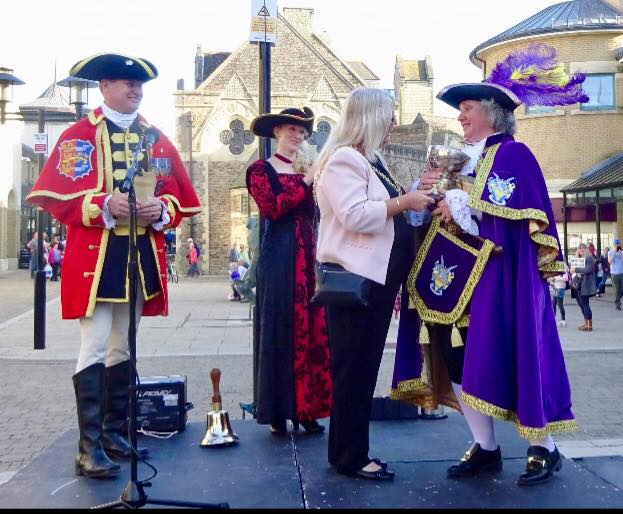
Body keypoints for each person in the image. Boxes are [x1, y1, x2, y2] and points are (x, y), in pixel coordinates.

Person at [399, 44, 580, 486]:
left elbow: (508, 215)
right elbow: (441, 215)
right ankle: (486, 447)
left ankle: (545, 448)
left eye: (468, 108)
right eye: (460, 109)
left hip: (502, 285)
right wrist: (428, 195)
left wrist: (458, 201)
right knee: (460, 361)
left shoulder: (513, 155)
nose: (460, 117)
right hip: (455, 286)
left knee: (514, 356)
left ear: (493, 113)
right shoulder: (460, 160)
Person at [25, 53, 200, 479]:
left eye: (139, 83)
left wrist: (162, 208)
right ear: (104, 86)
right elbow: (55, 197)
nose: (135, 89)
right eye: (125, 82)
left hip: (138, 260)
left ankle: (114, 433)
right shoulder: (78, 136)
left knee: (123, 345)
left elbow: (181, 199)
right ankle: (87, 449)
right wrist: (101, 203)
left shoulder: (155, 138)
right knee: (95, 343)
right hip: (97, 260)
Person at [315, 88, 434, 481]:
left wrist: (414, 197)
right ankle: (352, 457)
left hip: (374, 284)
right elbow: (356, 216)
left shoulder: (371, 161)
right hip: (357, 285)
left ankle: (347, 452)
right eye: (389, 115)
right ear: (368, 117)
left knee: (360, 370)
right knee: (355, 371)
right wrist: (405, 202)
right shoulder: (344, 160)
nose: (394, 123)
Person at [246, 106, 333, 437]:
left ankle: (308, 409)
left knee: (311, 329)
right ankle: (278, 410)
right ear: (277, 133)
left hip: (309, 257)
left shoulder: (309, 168)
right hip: (280, 257)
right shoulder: (259, 170)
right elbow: (274, 208)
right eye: (291, 130)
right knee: (280, 328)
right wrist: (307, 180)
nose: (297, 136)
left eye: (302, 132)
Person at [572, 243, 596, 331]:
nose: (581, 250)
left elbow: (588, 270)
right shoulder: (579, 259)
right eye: (579, 248)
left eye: (583, 248)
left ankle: (589, 326)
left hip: (585, 285)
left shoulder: (589, 258)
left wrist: (575, 269)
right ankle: (586, 323)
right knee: (581, 304)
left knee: (585, 305)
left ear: (586, 249)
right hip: (579, 285)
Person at [549, 263, 569, 327]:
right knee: (554, 303)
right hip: (555, 287)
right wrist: (551, 280)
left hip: (560, 287)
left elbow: (566, 278)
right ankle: (553, 319)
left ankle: (563, 320)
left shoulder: (563, 266)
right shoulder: (554, 266)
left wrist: (556, 279)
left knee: (560, 304)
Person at [609, 239, 623, 311]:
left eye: (618, 244)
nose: (617, 246)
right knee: (617, 289)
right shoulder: (611, 252)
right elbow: (609, 261)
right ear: (614, 245)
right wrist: (614, 252)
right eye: (616, 244)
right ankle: (618, 304)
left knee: (621, 290)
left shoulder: (622, 252)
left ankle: (617, 298)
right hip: (614, 273)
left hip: (622, 273)